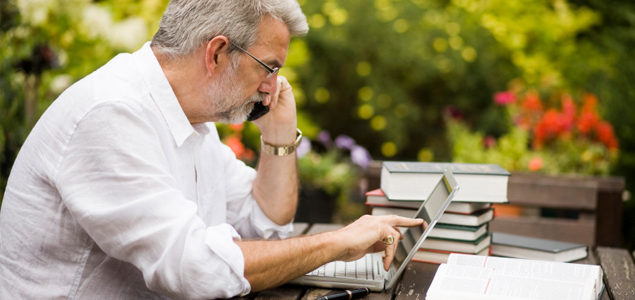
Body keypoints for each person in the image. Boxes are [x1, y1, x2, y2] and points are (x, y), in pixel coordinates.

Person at [0, 0, 425, 299]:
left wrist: (279, 136)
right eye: (269, 67)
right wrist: (340, 242)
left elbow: (264, 227)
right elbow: (194, 269)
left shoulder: (190, 119)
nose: (272, 86)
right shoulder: (112, 113)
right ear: (218, 52)